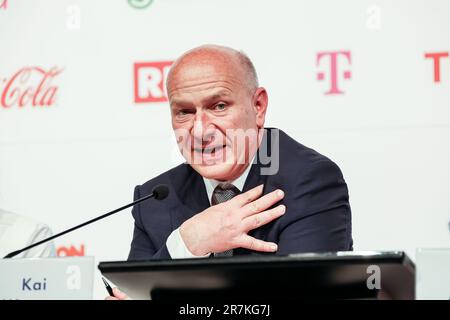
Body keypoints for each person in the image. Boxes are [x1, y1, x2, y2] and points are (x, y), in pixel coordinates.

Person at [107, 44, 353, 299]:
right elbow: (133, 293)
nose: (200, 131)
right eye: (184, 112)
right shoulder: (155, 198)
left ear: (258, 106)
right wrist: (187, 243)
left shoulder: (310, 181)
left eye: (219, 106)